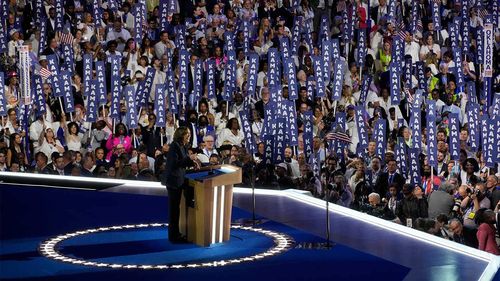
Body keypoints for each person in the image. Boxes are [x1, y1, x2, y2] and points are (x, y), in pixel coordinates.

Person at [163, 127, 201, 243]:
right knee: (174, 210)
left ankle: (176, 234)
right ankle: (174, 237)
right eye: (187, 134)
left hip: (179, 180)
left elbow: (183, 161)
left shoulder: (182, 146)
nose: (189, 136)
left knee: (176, 210)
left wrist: (191, 162)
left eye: (189, 134)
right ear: (181, 134)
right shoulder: (175, 146)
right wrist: (190, 158)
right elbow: (175, 163)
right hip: (174, 182)